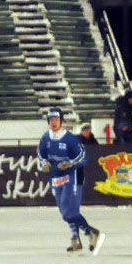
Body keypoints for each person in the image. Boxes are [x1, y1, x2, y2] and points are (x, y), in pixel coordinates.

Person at [37, 107, 104, 254]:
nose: (54, 122)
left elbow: (83, 156)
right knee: (64, 213)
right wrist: (44, 163)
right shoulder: (45, 138)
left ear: (61, 121)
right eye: (51, 120)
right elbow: (40, 155)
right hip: (54, 179)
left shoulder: (70, 138)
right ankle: (75, 239)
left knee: (69, 212)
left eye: (56, 120)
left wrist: (70, 163)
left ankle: (91, 232)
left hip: (71, 178)